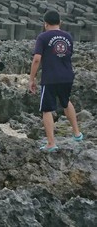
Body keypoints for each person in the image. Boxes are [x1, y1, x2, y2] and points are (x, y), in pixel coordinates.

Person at [29, 10, 83, 152]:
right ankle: (77, 133)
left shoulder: (43, 37)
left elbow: (36, 59)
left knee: (47, 109)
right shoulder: (68, 36)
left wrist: (31, 79)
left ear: (45, 23)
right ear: (60, 22)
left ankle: (51, 143)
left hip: (50, 78)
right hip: (67, 76)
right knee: (66, 102)